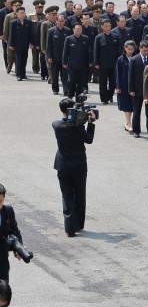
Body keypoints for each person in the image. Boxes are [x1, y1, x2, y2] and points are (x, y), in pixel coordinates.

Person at [52, 98, 96, 236]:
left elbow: (65, 123)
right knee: (80, 195)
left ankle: (70, 227)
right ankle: (79, 224)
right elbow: (89, 139)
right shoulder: (79, 126)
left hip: (62, 166)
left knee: (67, 196)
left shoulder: (56, 125)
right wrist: (91, 123)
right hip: (79, 166)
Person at [1, 182, 30, 307]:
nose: (0, 204)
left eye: (2, 201)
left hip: (2, 267)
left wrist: (18, 248)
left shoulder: (8, 211)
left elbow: (15, 233)